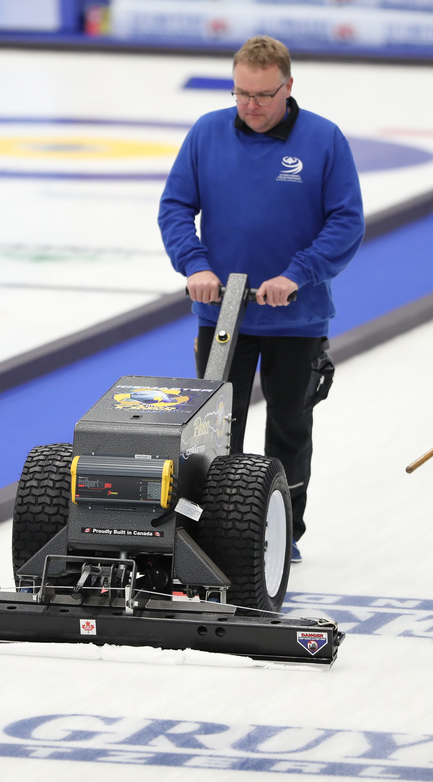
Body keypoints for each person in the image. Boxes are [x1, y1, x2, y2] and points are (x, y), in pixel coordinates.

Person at [159, 35, 365, 562]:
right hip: (222, 313)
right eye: (241, 94)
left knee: (290, 427)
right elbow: (176, 207)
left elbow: (346, 223)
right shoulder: (207, 133)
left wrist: (298, 275)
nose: (251, 106)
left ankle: (281, 531)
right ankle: (213, 526)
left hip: (295, 319)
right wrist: (196, 264)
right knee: (214, 429)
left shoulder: (324, 140)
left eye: (263, 96)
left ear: (289, 87)